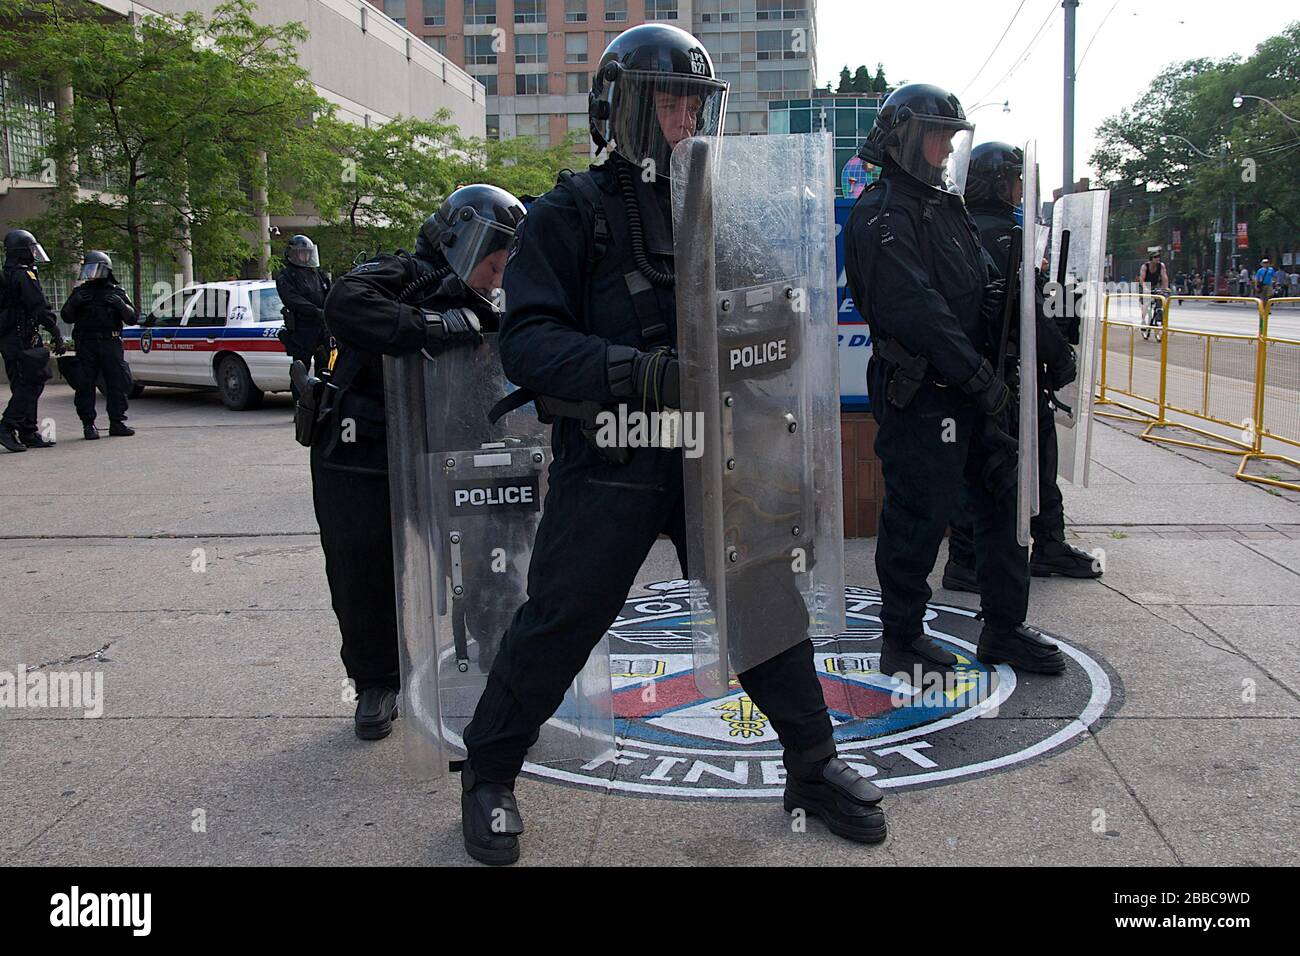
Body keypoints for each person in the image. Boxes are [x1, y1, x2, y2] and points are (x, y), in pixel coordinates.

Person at [459, 23, 887, 866]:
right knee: (560, 621)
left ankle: (812, 765)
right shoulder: (566, 213)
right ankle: (487, 773)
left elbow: (782, 314)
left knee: (765, 610)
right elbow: (529, 344)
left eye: (694, 99)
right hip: (614, 455)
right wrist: (642, 372)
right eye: (668, 100)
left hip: (715, 456)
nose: (686, 116)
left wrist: (760, 339)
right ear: (620, 107)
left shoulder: (714, 211)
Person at [843, 84, 1067, 689]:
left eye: (950, 136)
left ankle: (1004, 625)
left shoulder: (948, 207)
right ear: (903, 136)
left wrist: (1014, 319)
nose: (944, 147)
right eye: (935, 134)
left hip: (979, 387)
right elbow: (916, 310)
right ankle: (902, 636)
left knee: (1003, 504)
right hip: (924, 393)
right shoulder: (882, 212)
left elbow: (983, 284)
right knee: (919, 513)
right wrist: (979, 380)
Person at [315, 185, 522, 742]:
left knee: (482, 557)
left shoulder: (488, 306)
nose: (495, 279)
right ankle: (377, 682)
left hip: (449, 446)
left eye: (504, 269)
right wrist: (435, 327)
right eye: (491, 265)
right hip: (362, 449)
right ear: (462, 242)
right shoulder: (396, 274)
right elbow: (345, 305)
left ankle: (499, 652)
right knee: (363, 568)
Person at [942, 143, 1095, 591]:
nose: (1021, 188)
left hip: (971, 372)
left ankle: (970, 556)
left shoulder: (956, 228)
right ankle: (1039, 544)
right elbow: (1031, 310)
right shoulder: (1010, 235)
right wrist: (1061, 355)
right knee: (1029, 457)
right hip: (1012, 372)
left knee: (975, 464)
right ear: (997, 181)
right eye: (1016, 178)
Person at [60, 251, 137, 440]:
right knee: (85, 385)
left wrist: (120, 305)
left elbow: (132, 317)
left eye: (96, 269)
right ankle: (88, 424)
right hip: (87, 343)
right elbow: (66, 316)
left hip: (110, 342)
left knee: (116, 383)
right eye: (89, 269)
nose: (92, 273)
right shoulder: (80, 292)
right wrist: (74, 304)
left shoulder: (116, 292)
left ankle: (117, 422)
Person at [1, 229, 65, 453]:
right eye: (30, 249)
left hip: (14, 338)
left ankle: (28, 431)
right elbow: (37, 305)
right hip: (21, 339)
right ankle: (7, 426)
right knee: (30, 384)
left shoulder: (9, 274)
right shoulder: (22, 275)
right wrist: (55, 330)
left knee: (25, 383)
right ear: (21, 252)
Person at [275, 235, 331, 397]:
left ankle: (322, 406)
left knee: (325, 369)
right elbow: (293, 300)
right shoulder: (286, 276)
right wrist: (316, 311)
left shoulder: (319, 275)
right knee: (300, 370)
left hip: (322, 328)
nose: (305, 256)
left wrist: (330, 311)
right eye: (301, 253)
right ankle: (300, 406)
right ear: (292, 254)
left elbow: (330, 293)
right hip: (301, 330)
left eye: (308, 253)